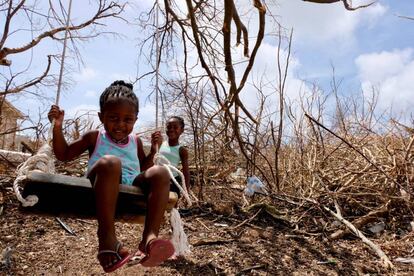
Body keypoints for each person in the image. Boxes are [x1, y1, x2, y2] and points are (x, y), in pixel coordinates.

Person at [48, 80, 174, 273]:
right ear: (101, 117)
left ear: (135, 119)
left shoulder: (136, 141)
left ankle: (149, 239)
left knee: (161, 171)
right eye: (113, 118)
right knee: (112, 163)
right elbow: (64, 154)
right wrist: (57, 126)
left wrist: (153, 151)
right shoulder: (94, 137)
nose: (120, 125)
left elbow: (142, 168)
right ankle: (107, 239)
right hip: (100, 182)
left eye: (128, 120)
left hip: (131, 184)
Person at [159, 116, 190, 196]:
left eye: (175, 127)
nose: (171, 129)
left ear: (181, 131)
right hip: (157, 179)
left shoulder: (182, 150)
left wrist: (186, 191)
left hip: (172, 182)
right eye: (169, 127)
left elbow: (186, 172)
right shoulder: (159, 144)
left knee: (171, 205)